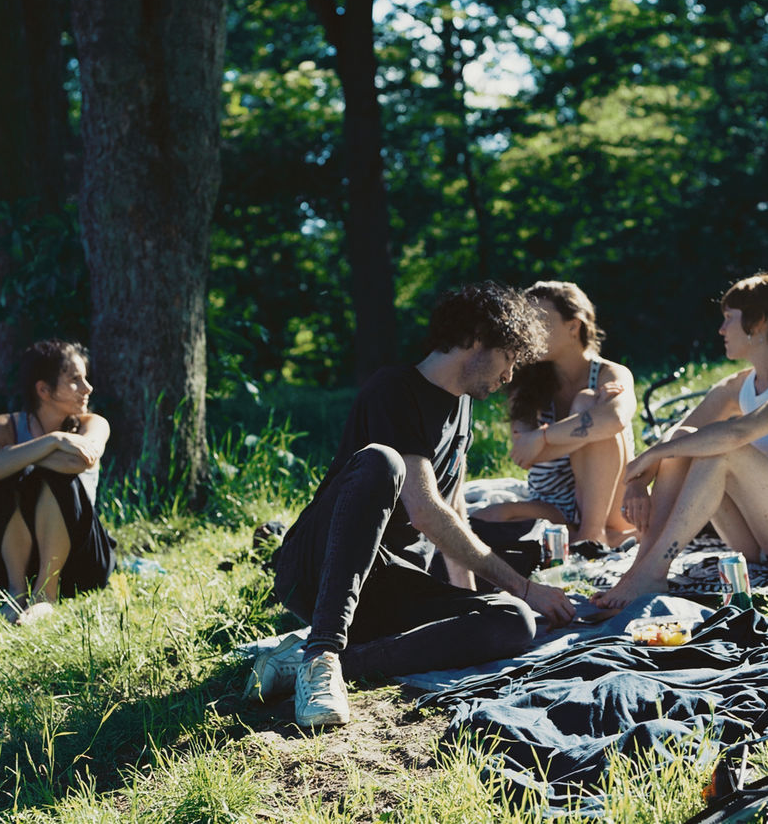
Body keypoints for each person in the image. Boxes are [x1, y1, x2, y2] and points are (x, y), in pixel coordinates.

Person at [246, 282, 576, 727]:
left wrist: (471, 604)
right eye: (509, 357)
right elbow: (425, 510)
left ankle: (314, 663)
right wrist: (525, 585)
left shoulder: (463, 407)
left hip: (389, 585)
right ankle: (322, 651)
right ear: (477, 337)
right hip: (320, 568)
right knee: (383, 462)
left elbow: (453, 512)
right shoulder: (393, 390)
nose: (509, 376)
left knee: (513, 620)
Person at [593, 273, 768, 610]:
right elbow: (678, 435)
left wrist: (651, 457)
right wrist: (638, 481)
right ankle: (642, 569)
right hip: (765, 535)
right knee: (684, 440)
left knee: (723, 450)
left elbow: (738, 434)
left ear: (758, 323)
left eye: (728, 319)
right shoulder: (738, 386)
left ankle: (654, 568)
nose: (721, 330)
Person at [475, 281, 638, 547]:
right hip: (554, 502)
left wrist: (545, 436)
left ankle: (592, 536)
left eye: (539, 320)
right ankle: (604, 539)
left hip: (609, 500)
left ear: (573, 326)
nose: (529, 330)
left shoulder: (611, 374)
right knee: (488, 517)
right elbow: (525, 454)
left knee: (588, 403)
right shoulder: (524, 383)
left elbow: (615, 420)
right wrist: (580, 430)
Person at [0, 340, 115, 624]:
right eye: (75, 380)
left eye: (84, 378)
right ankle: (17, 593)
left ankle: (44, 596)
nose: (87, 388)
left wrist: (17, 462)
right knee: (4, 484)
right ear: (44, 390)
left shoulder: (92, 423)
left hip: (81, 564)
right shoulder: (2, 427)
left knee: (49, 476)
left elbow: (80, 461)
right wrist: (55, 441)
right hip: (11, 561)